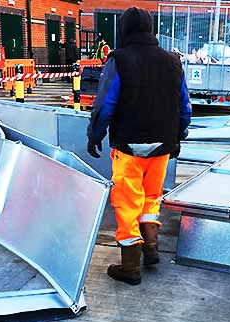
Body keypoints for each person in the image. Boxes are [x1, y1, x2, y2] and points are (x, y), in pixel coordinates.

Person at [87, 7, 192, 285]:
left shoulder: (119, 59)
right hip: (162, 147)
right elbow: (185, 107)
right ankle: (151, 247)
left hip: (129, 146)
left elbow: (106, 104)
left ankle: (131, 267)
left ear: (125, 30)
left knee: (126, 203)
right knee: (150, 199)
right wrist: (177, 136)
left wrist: (94, 134)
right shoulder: (173, 61)